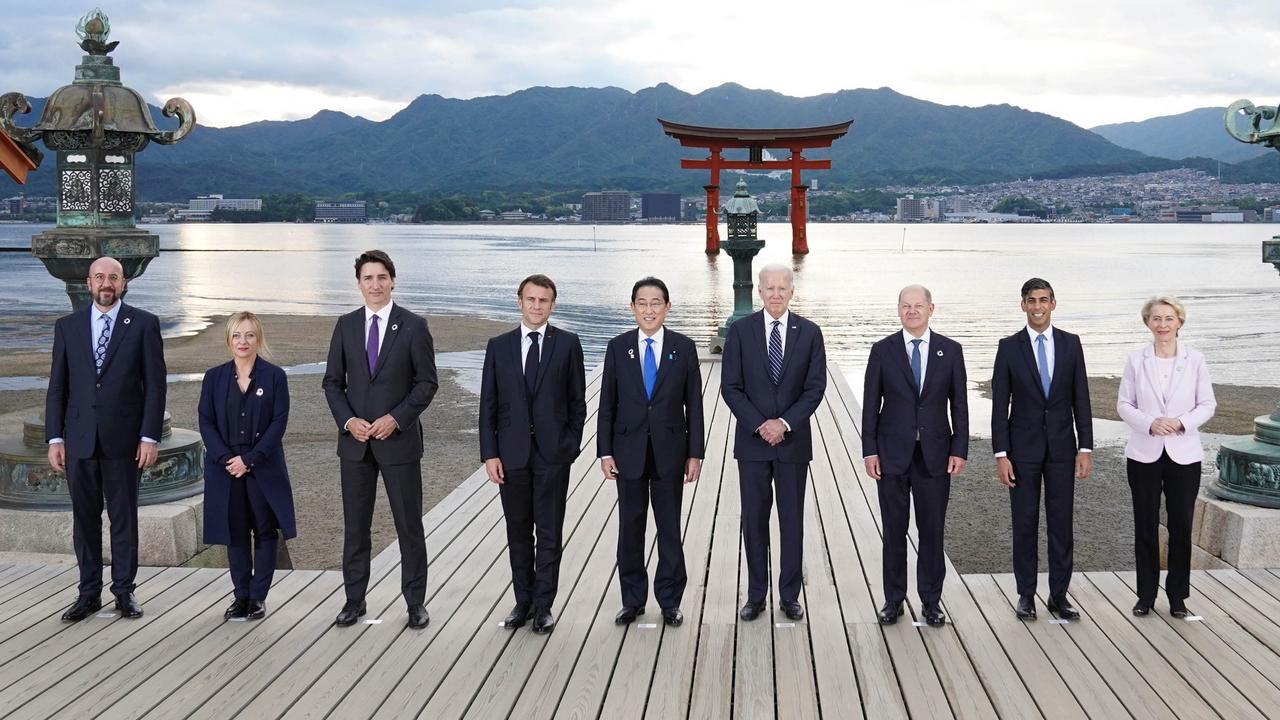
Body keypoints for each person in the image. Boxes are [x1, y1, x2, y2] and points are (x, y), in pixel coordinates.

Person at [46, 256, 166, 622]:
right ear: (89, 283)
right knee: (84, 520)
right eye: (99, 277)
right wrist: (54, 438)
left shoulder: (144, 324)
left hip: (125, 441)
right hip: (78, 439)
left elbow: (154, 387)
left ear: (124, 283)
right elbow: (58, 388)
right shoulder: (67, 326)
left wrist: (149, 436)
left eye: (113, 277)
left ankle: (124, 593)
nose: (106, 283)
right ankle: (88, 594)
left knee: (123, 519)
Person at [323, 250, 438, 630]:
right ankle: (354, 601)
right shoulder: (345, 325)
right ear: (359, 283)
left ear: (393, 280)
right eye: (368, 278)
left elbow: (426, 384)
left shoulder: (413, 326)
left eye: (382, 277)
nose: (375, 284)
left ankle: (415, 603)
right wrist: (348, 421)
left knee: (409, 526)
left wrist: (396, 418)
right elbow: (333, 384)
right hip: (355, 445)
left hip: (398, 443)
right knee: (356, 527)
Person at [480, 274, 586, 634]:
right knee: (518, 531)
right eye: (531, 299)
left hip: (553, 454)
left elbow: (577, 403)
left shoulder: (568, 344)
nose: (537, 306)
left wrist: (570, 447)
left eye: (543, 300)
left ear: (552, 305)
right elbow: (488, 407)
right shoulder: (499, 346)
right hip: (511, 455)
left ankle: (544, 605)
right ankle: (522, 601)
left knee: (550, 531)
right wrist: (489, 454)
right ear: (519, 302)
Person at [721, 263, 827, 622]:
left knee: (791, 520)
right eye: (770, 288)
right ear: (760, 292)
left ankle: (789, 595)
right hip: (752, 444)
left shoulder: (810, 333)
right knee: (753, 520)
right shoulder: (740, 331)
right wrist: (760, 424)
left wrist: (783, 423)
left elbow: (815, 388)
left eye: (783, 288)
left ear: (792, 292)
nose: (777, 294)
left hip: (792, 442)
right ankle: (755, 595)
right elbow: (730, 387)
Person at [598, 277, 704, 628]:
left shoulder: (683, 348)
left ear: (667, 307)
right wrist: (604, 452)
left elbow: (695, 406)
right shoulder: (617, 347)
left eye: (656, 302)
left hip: (670, 452)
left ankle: (670, 600)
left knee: (669, 527)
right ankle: (632, 600)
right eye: (641, 303)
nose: (649, 309)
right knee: (630, 526)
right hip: (627, 451)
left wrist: (695, 454)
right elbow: (607, 405)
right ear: (631, 307)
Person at [863, 285, 967, 627]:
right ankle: (893, 601)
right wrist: (870, 451)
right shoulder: (882, 351)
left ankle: (931, 601)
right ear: (898, 310)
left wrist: (959, 450)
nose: (912, 311)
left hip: (935, 455)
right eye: (906, 306)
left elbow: (960, 407)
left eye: (918, 306)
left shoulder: (950, 351)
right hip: (892, 454)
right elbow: (870, 407)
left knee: (932, 531)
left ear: (931, 309)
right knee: (894, 531)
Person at [991, 278, 1092, 621]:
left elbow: (1082, 399)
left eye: (1044, 300)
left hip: (1063, 449)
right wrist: (1001, 454)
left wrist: (1086, 447)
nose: (1038, 306)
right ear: (1022, 305)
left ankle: (1059, 596)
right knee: (1024, 524)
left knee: (1062, 524)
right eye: (1031, 300)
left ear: (1053, 303)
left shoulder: (1071, 344)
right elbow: (999, 406)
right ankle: (1026, 595)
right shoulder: (1008, 347)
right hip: (1022, 451)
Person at [1117, 295, 1215, 619]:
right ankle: (1145, 596)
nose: (1162, 325)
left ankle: (1177, 597)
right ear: (1147, 323)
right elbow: (1124, 405)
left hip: (1183, 454)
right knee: (1144, 525)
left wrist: (1181, 423)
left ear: (1179, 323)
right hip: (1143, 453)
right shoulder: (1136, 360)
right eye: (1156, 319)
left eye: (1168, 319)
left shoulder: (1196, 360)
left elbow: (1207, 405)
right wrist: (1149, 423)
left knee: (1181, 527)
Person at [198, 312, 297, 621]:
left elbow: (278, 423)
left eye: (250, 335)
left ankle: (257, 597)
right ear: (229, 339)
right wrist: (227, 459)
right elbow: (205, 421)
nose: (243, 341)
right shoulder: (213, 377)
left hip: (262, 465)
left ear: (258, 339)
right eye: (237, 335)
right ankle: (240, 596)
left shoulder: (274, 377)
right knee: (235, 532)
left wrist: (250, 459)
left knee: (266, 531)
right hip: (225, 467)